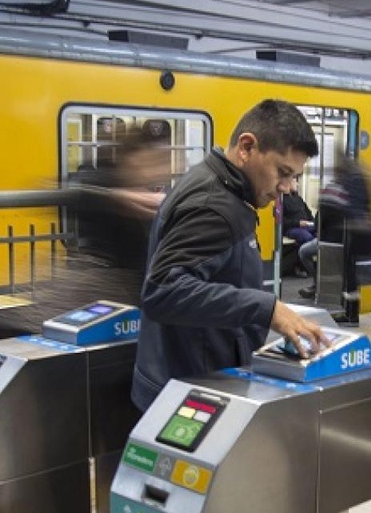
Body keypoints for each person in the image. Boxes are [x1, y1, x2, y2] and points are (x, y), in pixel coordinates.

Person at [131, 99, 329, 412]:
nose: (288, 188)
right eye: (283, 172)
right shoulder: (213, 205)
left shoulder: (216, 186)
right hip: (187, 390)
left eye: (294, 177)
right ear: (247, 148)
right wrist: (267, 309)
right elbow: (163, 290)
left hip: (180, 378)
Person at [316, 154, 371, 326]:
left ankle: (351, 315)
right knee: (353, 277)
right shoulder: (360, 177)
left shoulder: (353, 181)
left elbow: (352, 208)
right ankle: (350, 313)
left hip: (357, 236)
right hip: (359, 235)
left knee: (352, 278)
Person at [282, 177, 316, 244]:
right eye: (295, 182)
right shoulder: (281, 200)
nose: (297, 185)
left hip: (306, 225)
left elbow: (308, 212)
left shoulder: (298, 198)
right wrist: (298, 223)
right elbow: (282, 221)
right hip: (292, 228)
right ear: (289, 182)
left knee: (320, 232)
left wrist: (313, 222)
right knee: (306, 236)